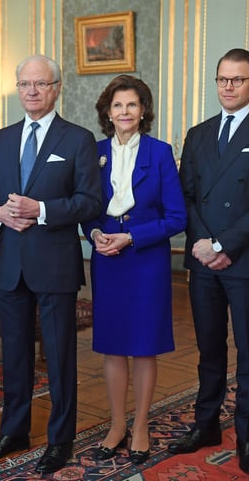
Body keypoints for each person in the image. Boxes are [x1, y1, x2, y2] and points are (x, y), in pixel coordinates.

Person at [0, 54, 102, 474]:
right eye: (25, 84)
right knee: (15, 356)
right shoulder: (2, 137)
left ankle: (60, 439)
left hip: (55, 264)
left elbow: (89, 202)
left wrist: (41, 209)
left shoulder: (77, 139)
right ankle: (15, 430)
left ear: (56, 88)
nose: (31, 91)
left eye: (40, 84)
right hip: (11, 264)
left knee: (60, 357)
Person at [170, 48, 249, 476]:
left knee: (248, 354)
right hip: (203, 258)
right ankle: (206, 425)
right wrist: (204, 242)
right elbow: (184, 195)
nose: (228, 87)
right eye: (222, 79)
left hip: (244, 260)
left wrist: (223, 244)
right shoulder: (198, 133)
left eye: (237, 80)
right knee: (208, 349)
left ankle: (246, 438)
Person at [82, 75, 187, 465]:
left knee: (143, 346)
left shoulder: (160, 153)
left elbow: (177, 217)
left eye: (132, 104)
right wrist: (94, 232)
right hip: (106, 257)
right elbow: (87, 206)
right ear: (107, 112)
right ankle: (115, 424)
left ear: (144, 110)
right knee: (112, 345)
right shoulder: (93, 152)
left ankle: (140, 425)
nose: (124, 112)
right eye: (117, 105)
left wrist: (132, 237)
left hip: (145, 260)